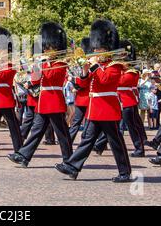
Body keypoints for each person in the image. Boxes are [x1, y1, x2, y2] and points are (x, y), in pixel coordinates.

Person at [55, 19, 133, 183]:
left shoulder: (115, 65)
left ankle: (125, 173)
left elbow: (105, 80)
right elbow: (83, 84)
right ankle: (73, 166)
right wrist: (84, 71)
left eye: (99, 49)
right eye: (95, 48)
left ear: (107, 49)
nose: (96, 51)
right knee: (87, 139)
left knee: (115, 142)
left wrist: (94, 66)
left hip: (107, 109)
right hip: (95, 109)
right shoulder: (96, 65)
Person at [8, 22, 73, 167]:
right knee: (36, 131)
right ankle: (24, 156)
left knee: (62, 134)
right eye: (46, 47)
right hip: (43, 102)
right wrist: (35, 67)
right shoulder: (45, 63)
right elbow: (36, 79)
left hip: (55, 102)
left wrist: (43, 64)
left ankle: (69, 161)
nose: (46, 50)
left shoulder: (61, 63)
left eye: (49, 47)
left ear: (56, 48)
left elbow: (51, 76)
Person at [68, 37, 91, 142]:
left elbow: (86, 82)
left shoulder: (92, 66)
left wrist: (74, 80)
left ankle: (86, 140)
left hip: (89, 98)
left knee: (89, 122)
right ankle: (70, 139)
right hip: (81, 98)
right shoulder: (83, 66)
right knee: (77, 121)